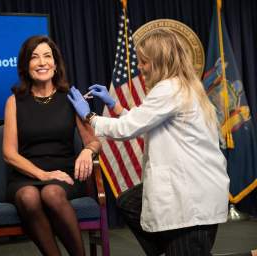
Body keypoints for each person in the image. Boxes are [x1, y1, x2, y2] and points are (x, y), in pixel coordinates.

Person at [67, 28, 229, 256]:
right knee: (130, 203)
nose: (140, 67)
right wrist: (115, 106)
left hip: (190, 199)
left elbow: (127, 128)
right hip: (192, 188)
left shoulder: (170, 89)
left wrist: (89, 116)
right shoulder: (184, 86)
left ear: (159, 61)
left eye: (144, 62)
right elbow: (145, 120)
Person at [3, 35, 101, 256]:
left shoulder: (71, 98)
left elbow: (94, 141)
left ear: (56, 64)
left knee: (52, 193)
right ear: (26, 65)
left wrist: (87, 150)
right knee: (29, 196)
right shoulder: (14, 102)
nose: (42, 62)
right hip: (25, 176)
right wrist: (42, 174)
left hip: (63, 176)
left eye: (47, 56)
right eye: (34, 57)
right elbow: (9, 153)